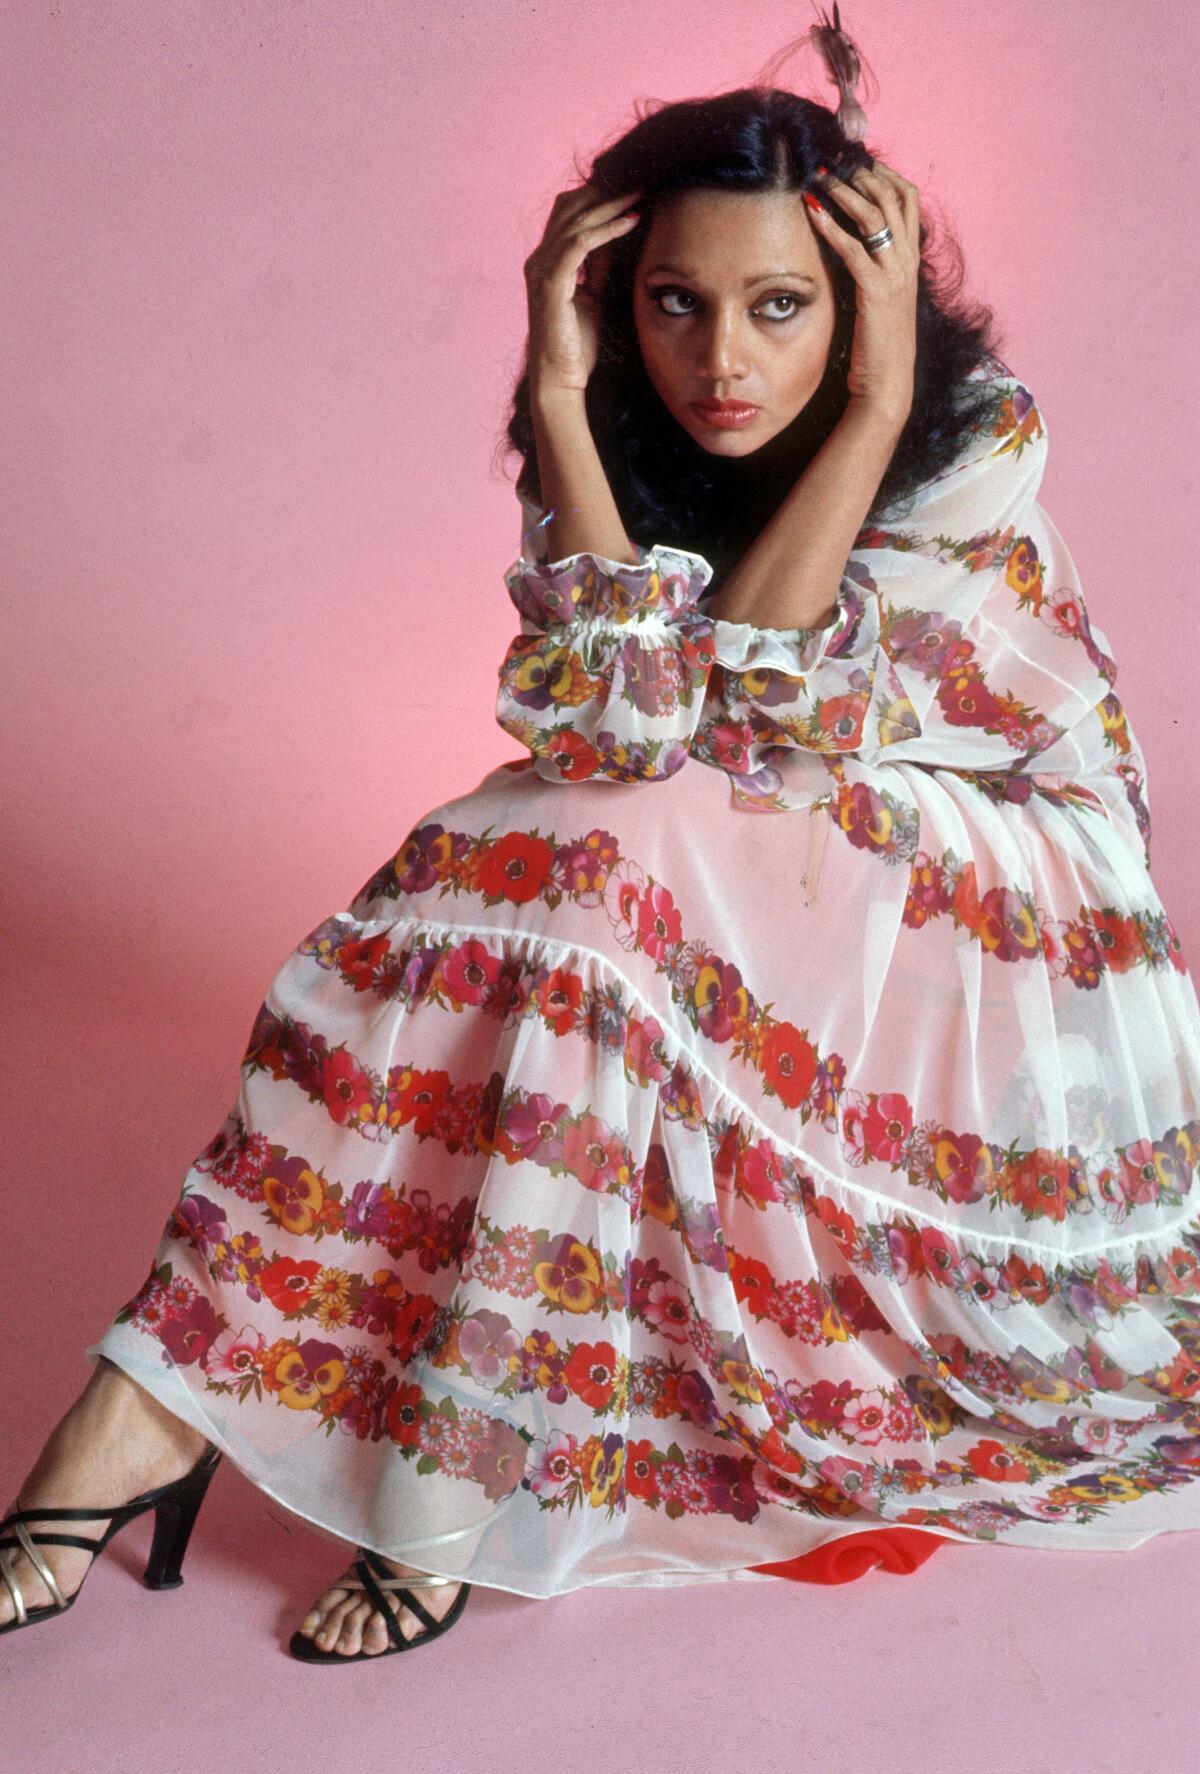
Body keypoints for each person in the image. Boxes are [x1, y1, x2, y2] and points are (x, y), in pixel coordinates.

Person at [6, 65, 1200, 1664]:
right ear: (609, 300)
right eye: (674, 305)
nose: (724, 360)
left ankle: (215, 1432)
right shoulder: (626, 424)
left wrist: (873, 398)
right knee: (541, 862)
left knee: (571, 864)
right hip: (733, 844)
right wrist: (563, 398)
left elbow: (771, 699)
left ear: (863, 297)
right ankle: (204, 1420)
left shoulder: (970, 445)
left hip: (997, 896)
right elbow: (623, 729)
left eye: (784, 306)